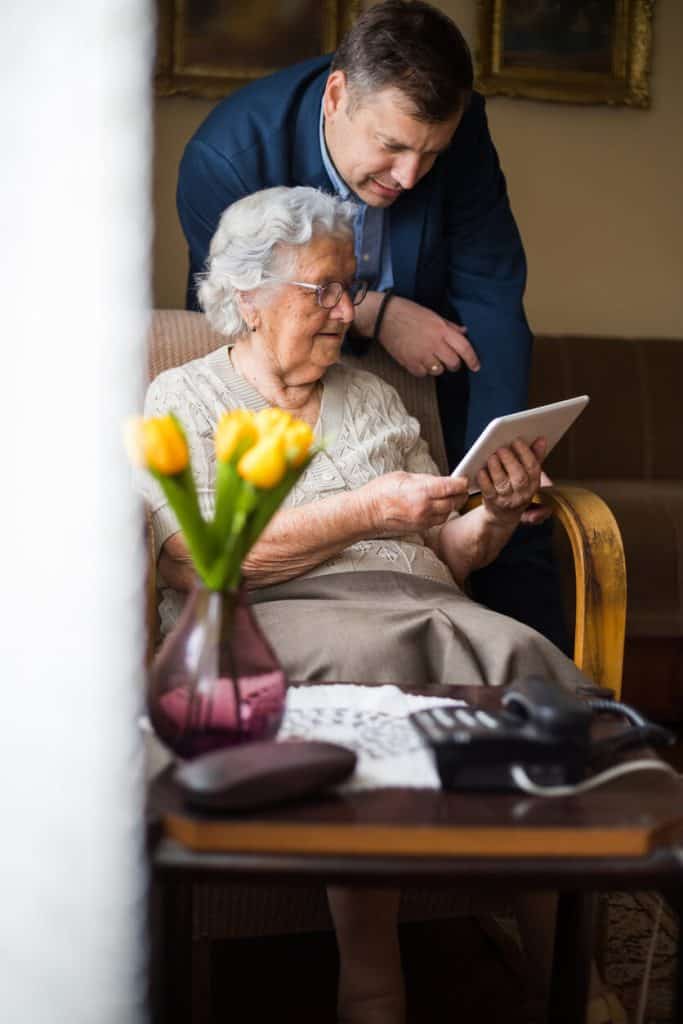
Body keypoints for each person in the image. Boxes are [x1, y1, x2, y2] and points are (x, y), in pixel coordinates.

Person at [144, 187, 623, 1024]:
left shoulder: (370, 395)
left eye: (348, 286)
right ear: (249, 299)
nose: (344, 309)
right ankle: (373, 986)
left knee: (520, 665)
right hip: (281, 611)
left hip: (422, 601)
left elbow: (446, 554)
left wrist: (497, 511)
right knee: (368, 674)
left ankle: (566, 979)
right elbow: (194, 559)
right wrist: (366, 511)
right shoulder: (184, 400)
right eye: (321, 289)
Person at [175, 0, 569, 652]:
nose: (409, 176)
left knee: (519, 530)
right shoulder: (228, 157)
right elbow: (239, 307)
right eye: (390, 147)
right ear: (336, 97)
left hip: (424, 368)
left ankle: (562, 724)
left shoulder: (459, 130)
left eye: (430, 153)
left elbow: (492, 295)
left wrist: (495, 462)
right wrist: (374, 312)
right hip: (286, 378)